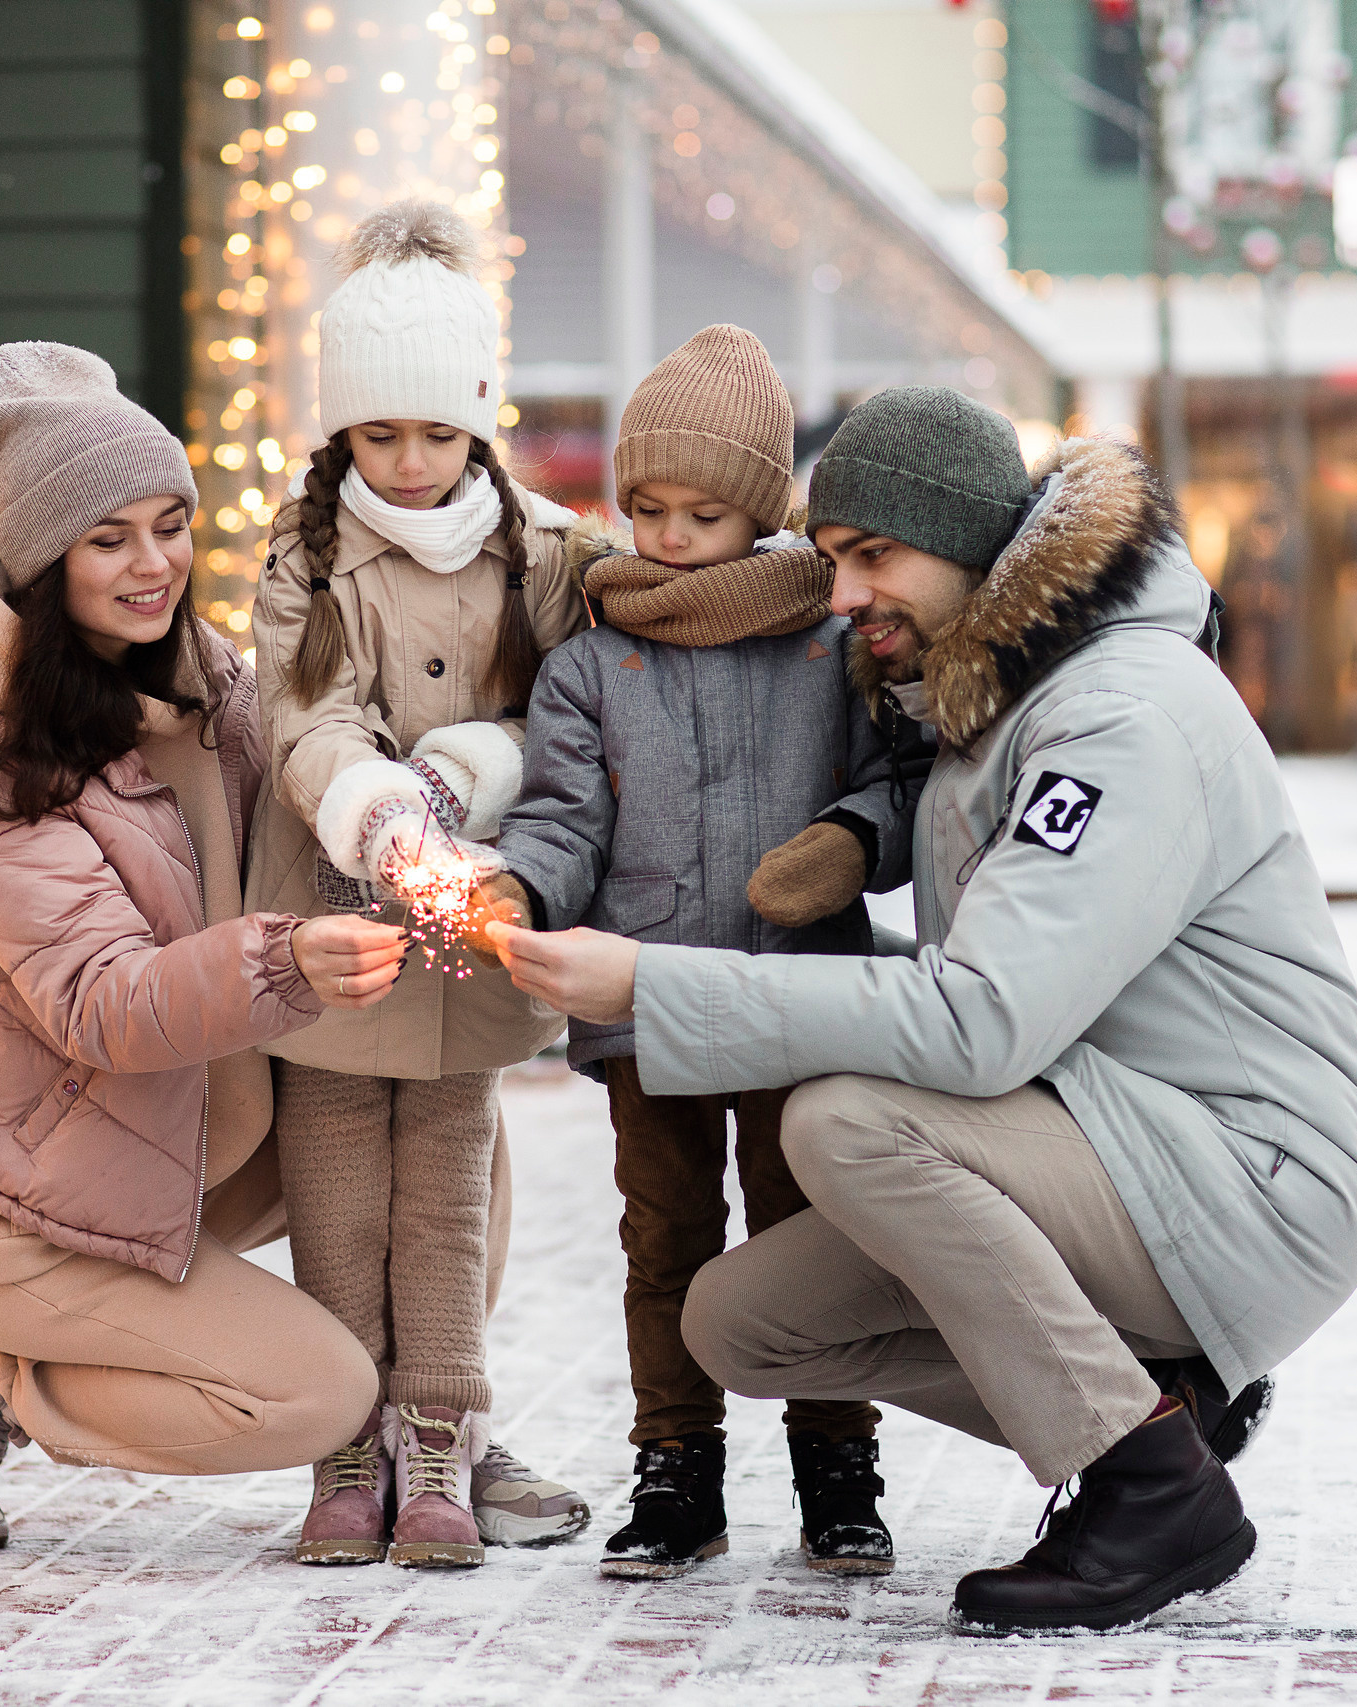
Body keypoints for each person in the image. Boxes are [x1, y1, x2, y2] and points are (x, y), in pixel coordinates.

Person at [490, 388, 1357, 1635]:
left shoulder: (1116, 715)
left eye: (873, 559)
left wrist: (654, 984)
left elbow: (980, 1023)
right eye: (834, 558)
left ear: (968, 547)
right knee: (740, 1324)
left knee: (848, 1121)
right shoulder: (997, 697)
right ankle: (1159, 1402)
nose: (843, 595)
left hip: (1248, 1173)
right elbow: (1005, 985)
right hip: (1114, 1138)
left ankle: (1147, 1485)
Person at [0, 341, 414, 1554]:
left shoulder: (197, 677)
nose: (154, 562)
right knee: (310, 1393)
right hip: (11, 1202)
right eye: (108, 537)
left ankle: (433, 1427)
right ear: (39, 557)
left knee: (428, 1130)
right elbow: (99, 1002)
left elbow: (305, 788)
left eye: (170, 524)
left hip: (173, 1140)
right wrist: (283, 961)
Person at [480, 326, 913, 1579]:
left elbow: (904, 785)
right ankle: (678, 1470)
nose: (668, 537)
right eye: (648, 508)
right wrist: (521, 883)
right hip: (644, 1005)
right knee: (664, 1239)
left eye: (704, 513)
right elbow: (565, 817)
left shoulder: (830, 648)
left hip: (798, 996)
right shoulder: (589, 664)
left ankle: (838, 1465)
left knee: (814, 1231)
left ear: (764, 512)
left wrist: (847, 839)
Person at [246, 201, 593, 1568]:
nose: (406, 460)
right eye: (377, 434)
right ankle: (345, 1443)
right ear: (342, 432)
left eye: (433, 433)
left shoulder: (543, 555)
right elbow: (301, 716)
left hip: (471, 922)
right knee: (334, 1176)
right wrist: (385, 812)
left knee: (443, 1180)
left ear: (477, 424)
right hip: (340, 909)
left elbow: (569, 715)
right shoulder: (307, 552)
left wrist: (467, 770)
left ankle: (437, 1431)